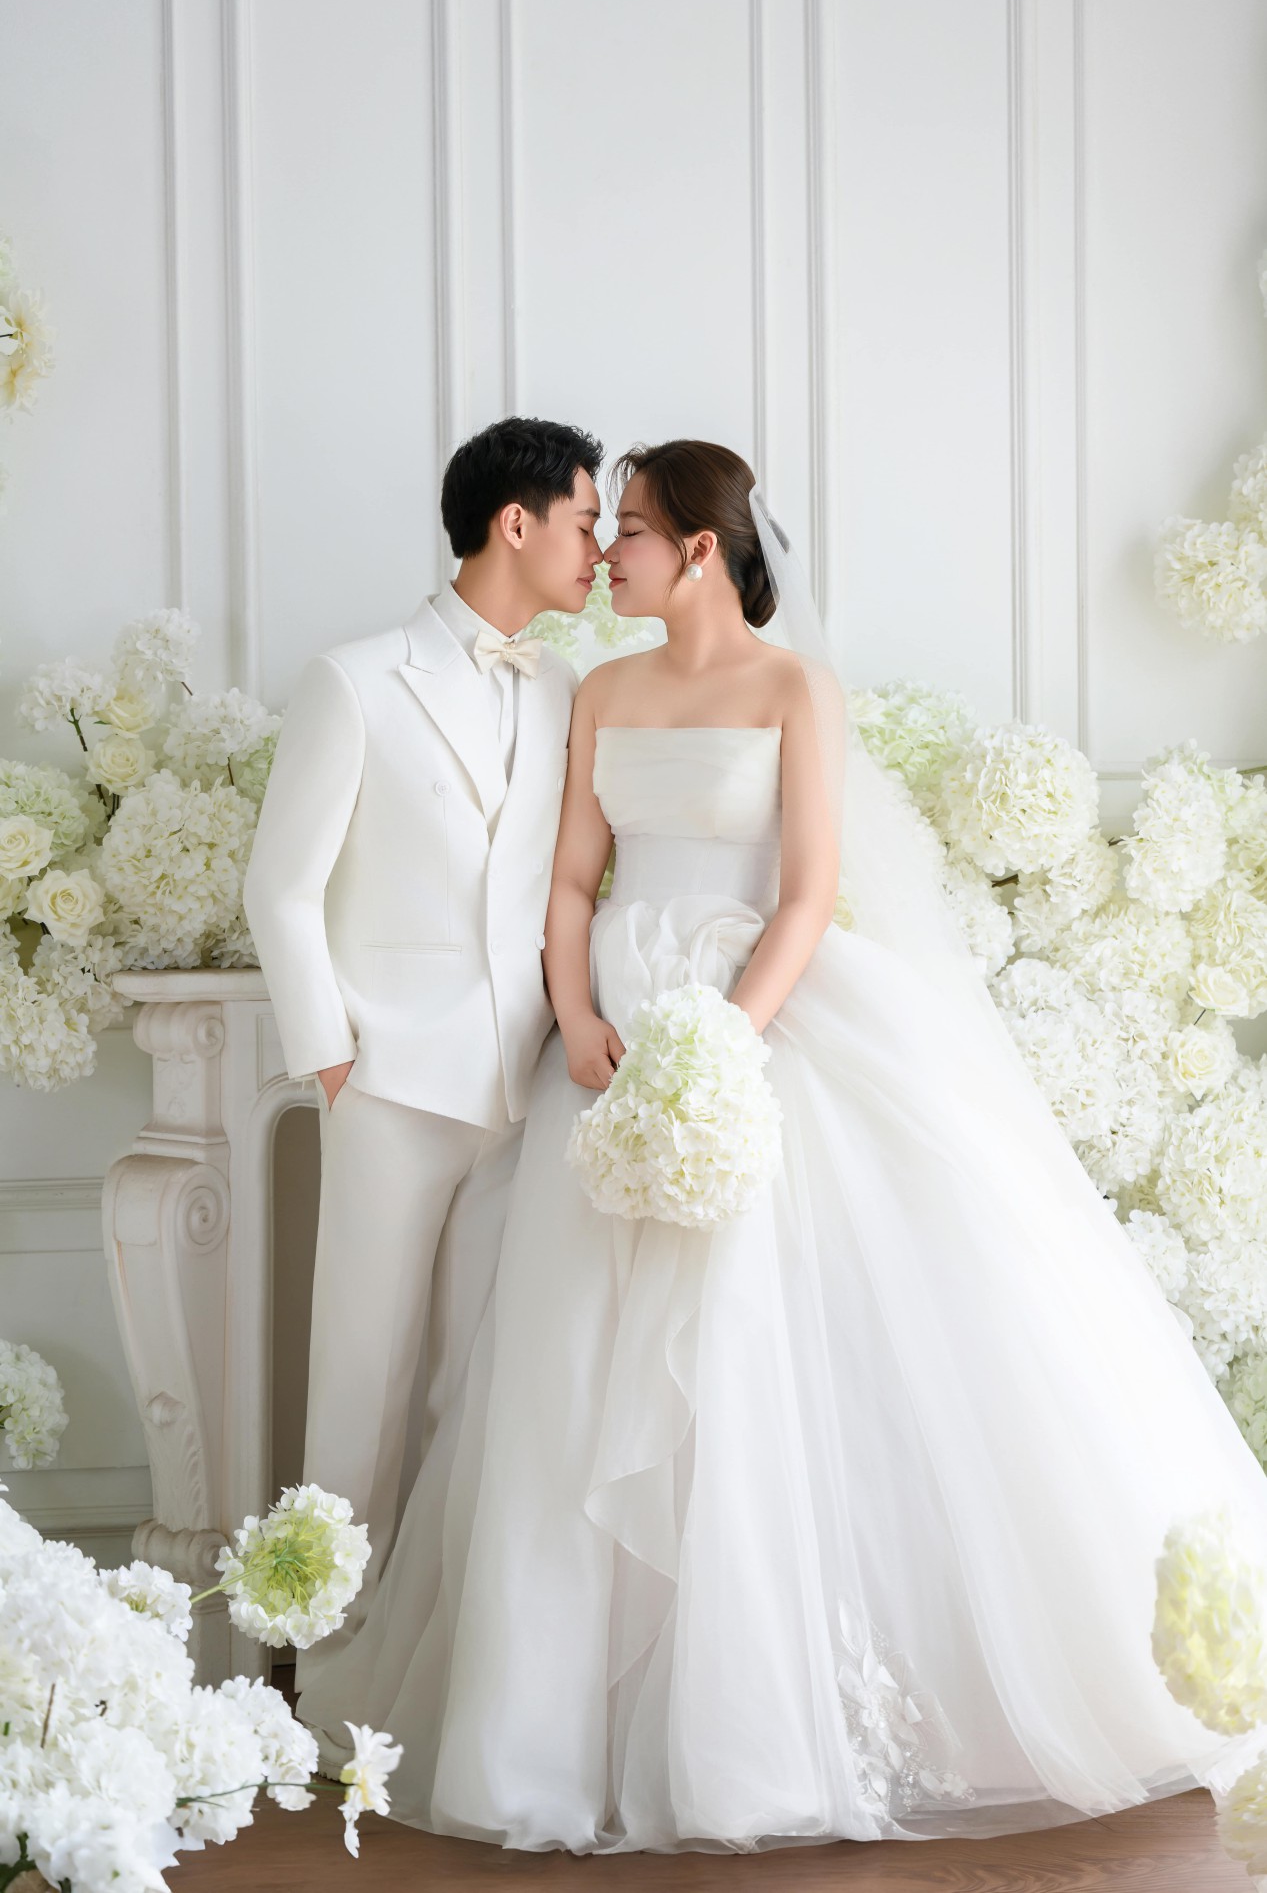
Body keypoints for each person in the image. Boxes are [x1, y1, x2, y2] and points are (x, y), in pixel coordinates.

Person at [296, 437, 1267, 1851]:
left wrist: (725, 1039)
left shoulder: (791, 687)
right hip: (612, 1039)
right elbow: (569, 882)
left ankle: (756, 1729)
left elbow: (808, 890)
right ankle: (547, 1736)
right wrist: (582, 1018)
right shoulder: (599, 690)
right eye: (599, 526)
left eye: (629, 530)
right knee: (569, 1370)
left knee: (755, 1351)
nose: (605, 554)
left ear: (699, 548)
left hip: (753, 1019)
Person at [241, 415, 603, 1691]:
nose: (595, 548)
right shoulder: (354, 679)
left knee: (474, 1395)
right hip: (390, 1084)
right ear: (516, 521)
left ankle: (433, 1682)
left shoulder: (564, 688)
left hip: (525, 1085)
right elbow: (280, 887)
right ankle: (317, 1688)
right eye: (583, 521)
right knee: (361, 1392)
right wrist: (333, 1059)